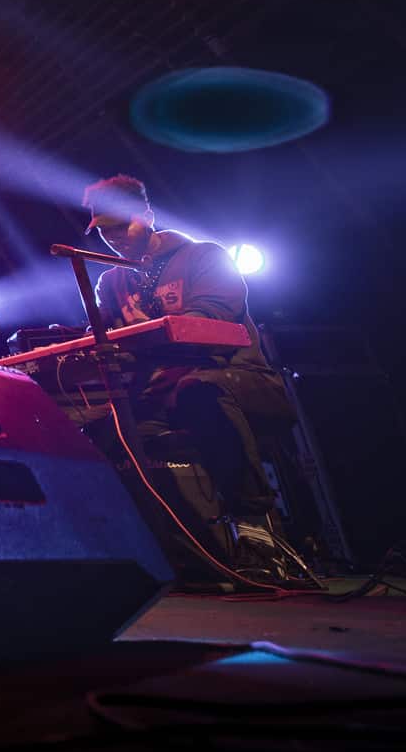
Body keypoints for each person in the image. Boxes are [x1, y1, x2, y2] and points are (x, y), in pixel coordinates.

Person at [75, 174, 294, 544]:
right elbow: (102, 338)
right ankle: (156, 542)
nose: (111, 237)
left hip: (239, 378)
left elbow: (213, 319)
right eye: (102, 230)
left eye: (119, 226)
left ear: (145, 214)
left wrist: (149, 333)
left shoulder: (205, 256)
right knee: (97, 432)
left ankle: (255, 528)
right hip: (161, 395)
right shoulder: (111, 283)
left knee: (200, 392)